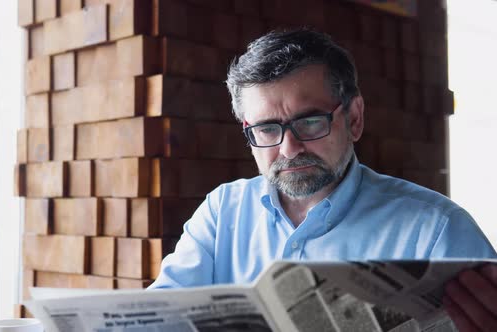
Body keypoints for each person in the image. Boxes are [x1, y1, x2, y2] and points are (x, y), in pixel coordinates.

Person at [148, 28, 497, 331]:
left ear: (354, 118)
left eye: (311, 121)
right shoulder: (222, 211)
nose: (289, 149)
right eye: (267, 129)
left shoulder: (438, 231)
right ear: (248, 131)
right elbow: (159, 317)